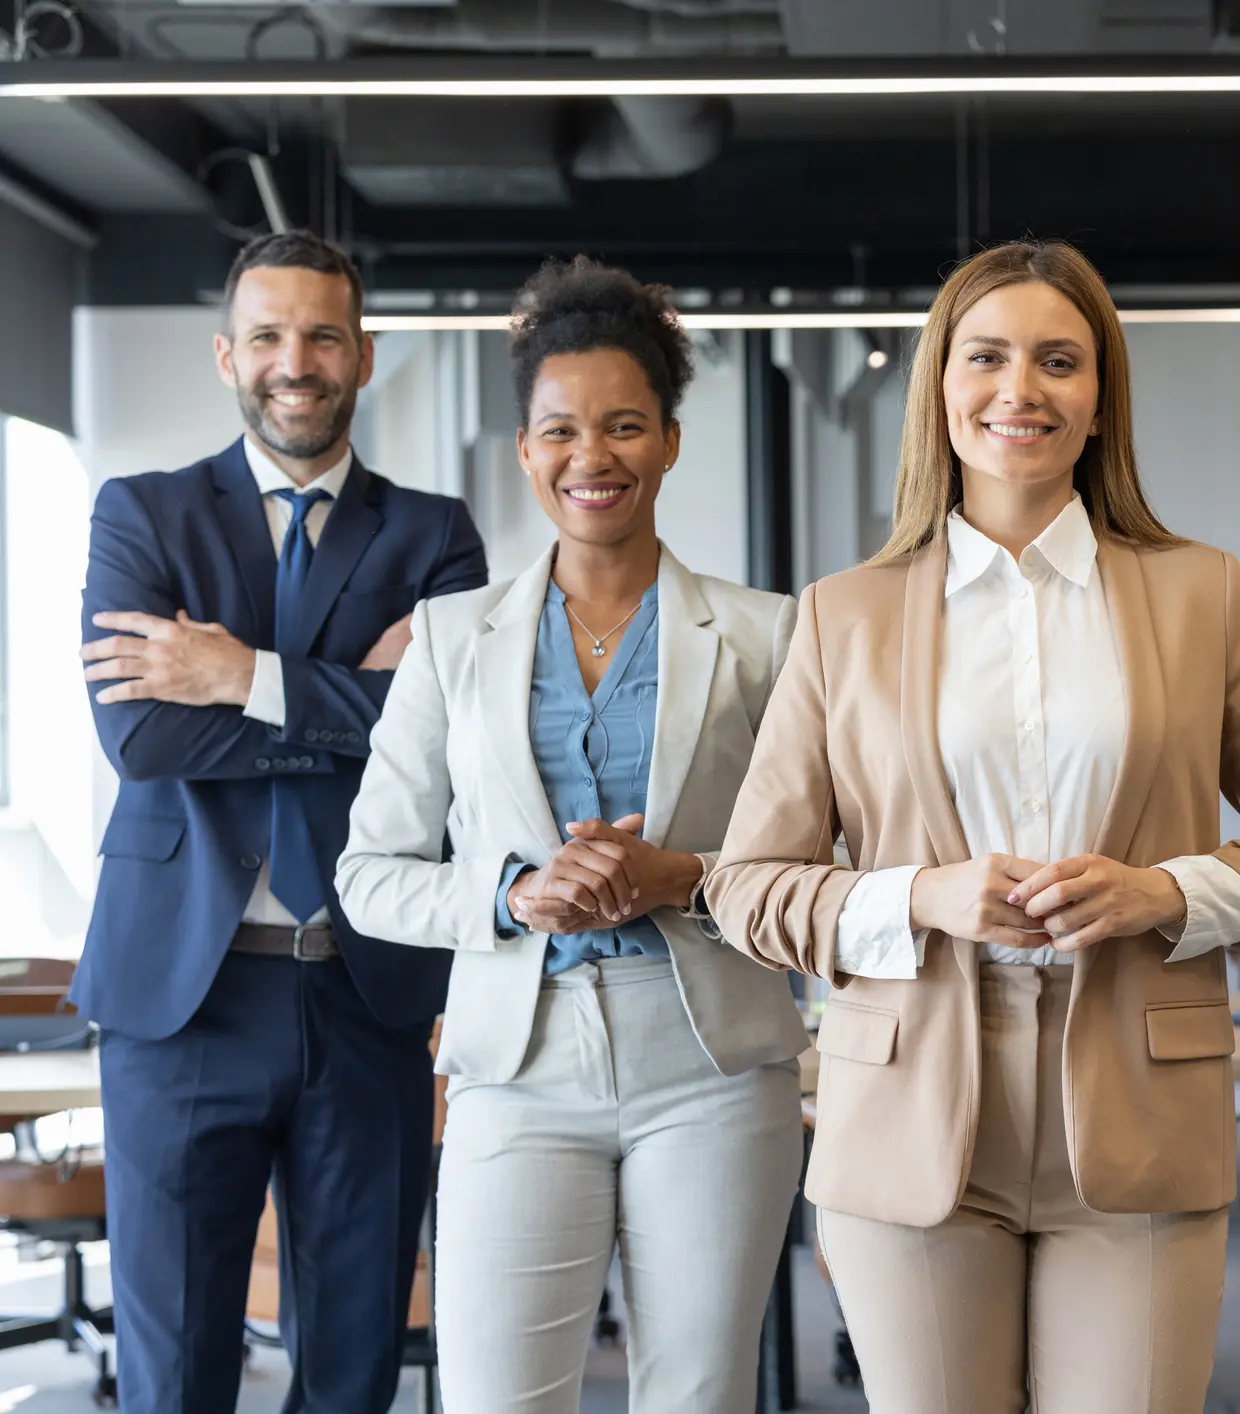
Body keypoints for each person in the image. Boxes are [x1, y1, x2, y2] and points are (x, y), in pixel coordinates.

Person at [704, 238, 1240, 1414]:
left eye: (1060, 361)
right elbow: (747, 887)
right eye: (988, 357)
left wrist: (1170, 893)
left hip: (1140, 1105)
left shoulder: (1198, 590)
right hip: (913, 1111)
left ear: (1100, 397)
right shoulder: (843, 615)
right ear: (939, 389)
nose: (1022, 390)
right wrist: (918, 895)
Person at [335, 257, 807, 1413]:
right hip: (516, 1063)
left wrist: (682, 876)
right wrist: (511, 895)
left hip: (710, 1063)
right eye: (560, 430)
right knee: (498, 1396)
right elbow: (368, 876)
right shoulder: (451, 638)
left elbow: (825, 866)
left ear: (671, 441)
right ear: (524, 450)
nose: (592, 457)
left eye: (624, 426)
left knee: (696, 1394)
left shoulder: (767, 635)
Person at [73, 230, 487, 1414]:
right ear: (226, 355)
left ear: (366, 355)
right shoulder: (141, 516)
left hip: (363, 992)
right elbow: (143, 740)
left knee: (355, 1365)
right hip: (180, 998)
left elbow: (453, 742)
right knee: (176, 1369)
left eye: (321, 336)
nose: (292, 362)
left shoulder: (434, 536)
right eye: (267, 336)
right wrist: (360, 696)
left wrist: (241, 673)